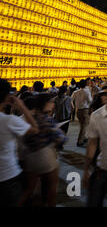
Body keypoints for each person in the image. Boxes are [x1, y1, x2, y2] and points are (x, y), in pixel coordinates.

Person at [19, 93, 66, 207]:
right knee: (51, 189)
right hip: (45, 158)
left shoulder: (28, 118)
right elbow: (61, 138)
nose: (53, 104)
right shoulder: (46, 120)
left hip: (29, 158)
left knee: (30, 189)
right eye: (51, 102)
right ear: (46, 104)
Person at [0, 79, 39, 207]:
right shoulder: (9, 120)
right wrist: (22, 106)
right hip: (8, 175)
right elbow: (35, 129)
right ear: (6, 97)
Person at [71, 79, 93, 147]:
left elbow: (71, 100)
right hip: (85, 110)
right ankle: (79, 141)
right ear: (86, 84)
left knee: (82, 125)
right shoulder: (87, 92)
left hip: (78, 110)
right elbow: (90, 101)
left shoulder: (76, 92)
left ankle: (84, 137)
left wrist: (73, 107)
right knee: (84, 126)